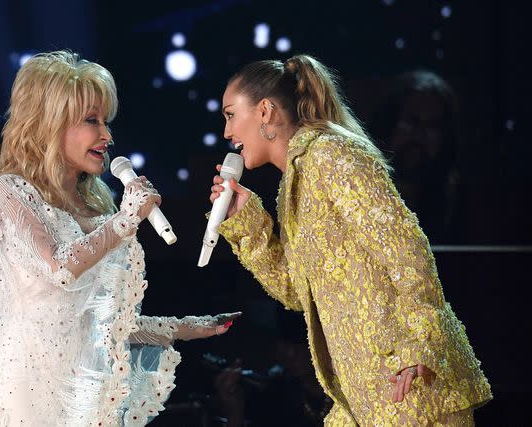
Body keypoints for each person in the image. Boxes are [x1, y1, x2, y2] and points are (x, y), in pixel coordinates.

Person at [208, 55, 491, 425]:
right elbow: (297, 291)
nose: (227, 132)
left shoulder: (332, 155)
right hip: (361, 399)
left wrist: (419, 342)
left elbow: (407, 250)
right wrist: (247, 223)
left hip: (410, 387)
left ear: (264, 111)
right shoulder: (294, 182)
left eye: (231, 115)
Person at [0, 50, 239, 426]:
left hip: (86, 388)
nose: (106, 135)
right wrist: (126, 220)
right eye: (91, 120)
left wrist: (187, 328)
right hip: (26, 392)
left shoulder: (96, 203)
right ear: (49, 124)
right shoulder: (10, 193)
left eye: (106, 121)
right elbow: (61, 268)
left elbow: (105, 325)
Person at [369, 70, 464, 243]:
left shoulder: (459, 203)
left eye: (432, 126)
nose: (419, 135)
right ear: (388, 124)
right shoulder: (361, 192)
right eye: (411, 121)